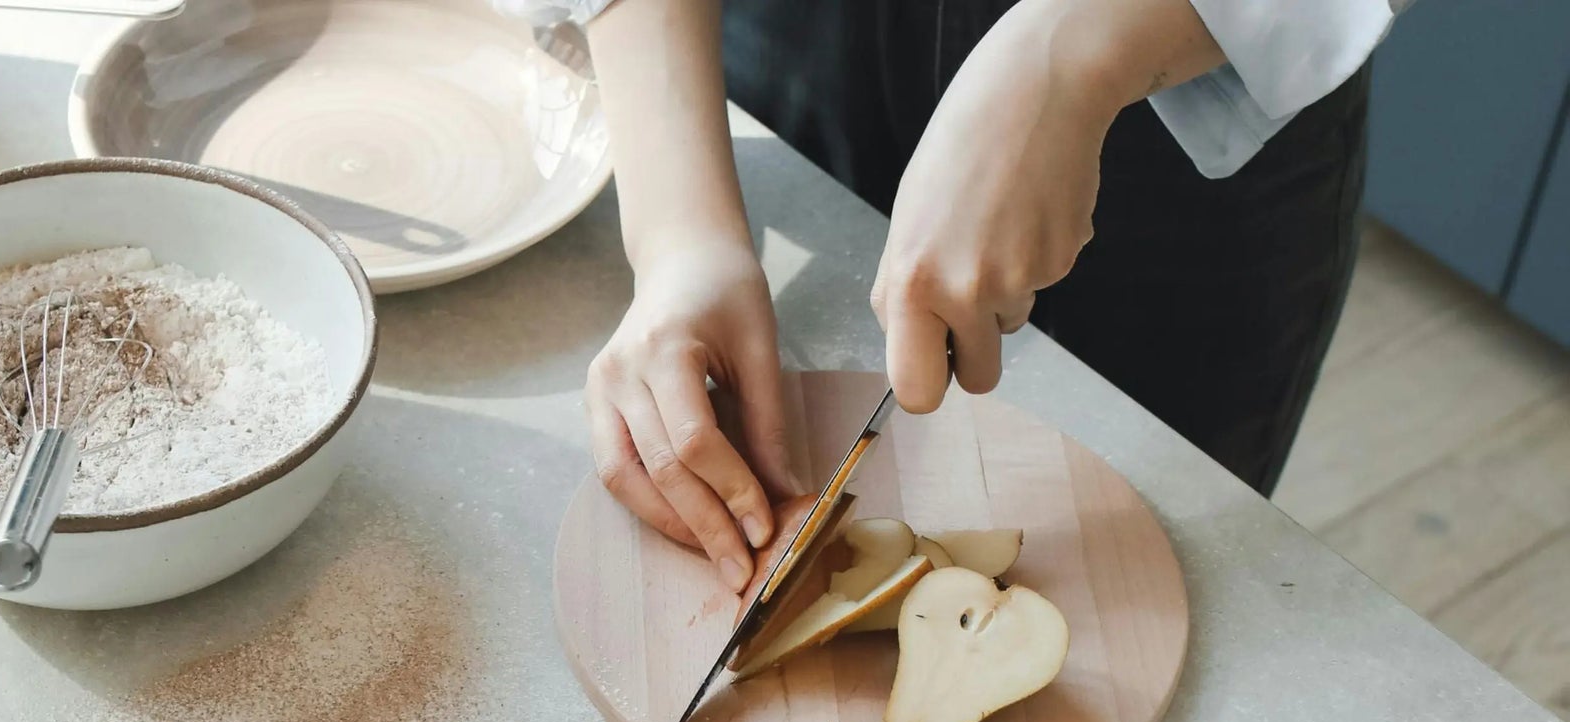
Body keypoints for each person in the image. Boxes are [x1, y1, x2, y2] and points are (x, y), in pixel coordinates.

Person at [502, 0, 1405, 592]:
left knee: (1145, 592)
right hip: (784, 35)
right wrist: (678, 234)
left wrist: (1076, 49)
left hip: (1191, 79)